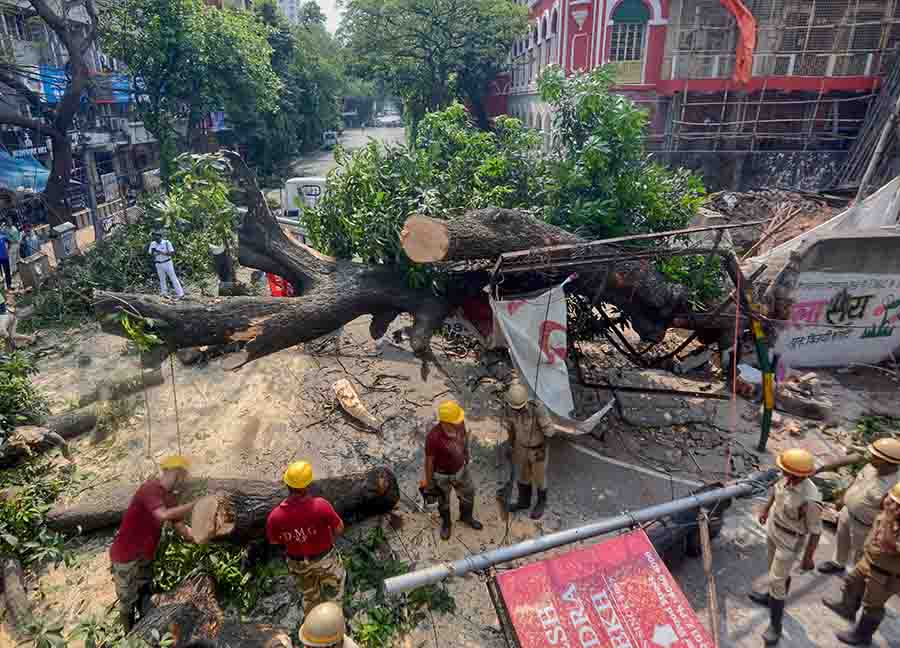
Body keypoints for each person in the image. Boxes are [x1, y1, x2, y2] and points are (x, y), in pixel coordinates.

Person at [108, 455, 197, 630]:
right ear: (175, 472)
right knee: (127, 600)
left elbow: (183, 530)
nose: (184, 480)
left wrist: (202, 535)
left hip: (145, 555)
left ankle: (146, 626)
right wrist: (194, 504)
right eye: (183, 475)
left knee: (145, 590)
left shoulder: (170, 498)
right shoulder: (150, 489)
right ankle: (129, 635)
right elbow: (162, 515)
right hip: (125, 555)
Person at [748, 448, 822, 645]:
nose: (783, 473)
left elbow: (816, 531)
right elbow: (776, 491)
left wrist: (808, 557)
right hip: (774, 529)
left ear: (798, 475)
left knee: (776, 579)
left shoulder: (810, 500)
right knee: (775, 573)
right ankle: (771, 597)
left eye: (786, 471)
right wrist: (765, 509)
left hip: (789, 541)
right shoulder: (786, 478)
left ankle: (775, 625)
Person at [823, 482, 900, 645]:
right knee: (852, 582)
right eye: (891, 500)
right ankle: (847, 608)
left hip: (885, 574)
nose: (891, 505)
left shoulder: (890, 518)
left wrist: (889, 518)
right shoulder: (887, 514)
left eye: (896, 504)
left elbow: (889, 545)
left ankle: (862, 636)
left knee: (873, 605)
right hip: (869, 561)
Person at [266, 461, 345, 615]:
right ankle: (334, 620)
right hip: (325, 560)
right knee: (335, 591)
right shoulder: (321, 506)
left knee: (309, 595)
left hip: (297, 564)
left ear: (287, 485)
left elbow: (274, 541)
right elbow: (339, 528)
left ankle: (313, 623)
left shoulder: (275, 516)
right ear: (308, 485)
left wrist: (294, 538)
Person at [818, 438, 900, 575]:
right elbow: (856, 481)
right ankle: (838, 562)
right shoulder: (871, 467)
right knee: (841, 539)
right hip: (847, 513)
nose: (871, 457)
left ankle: (855, 575)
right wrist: (842, 498)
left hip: (865, 526)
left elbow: (891, 512)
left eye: (875, 456)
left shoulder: (895, 485)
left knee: (859, 552)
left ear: (887, 462)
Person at [424, 400, 482, 540]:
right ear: (445, 422)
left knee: (468, 494)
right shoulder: (434, 437)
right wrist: (429, 482)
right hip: (441, 475)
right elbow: (429, 461)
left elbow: (464, 438)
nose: (460, 422)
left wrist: (466, 453)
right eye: (456, 420)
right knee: (443, 502)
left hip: (460, 469)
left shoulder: (460, 424)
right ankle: (446, 523)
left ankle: (466, 517)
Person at [504, 382, 554, 519]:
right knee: (523, 475)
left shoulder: (537, 408)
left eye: (519, 408)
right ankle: (523, 502)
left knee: (539, 478)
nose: (517, 411)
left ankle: (541, 502)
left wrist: (543, 449)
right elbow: (511, 428)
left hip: (538, 448)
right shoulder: (509, 408)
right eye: (515, 408)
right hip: (521, 447)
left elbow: (549, 432)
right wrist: (510, 445)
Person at [148, 229, 184, 299]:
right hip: (158, 263)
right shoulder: (152, 243)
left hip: (167, 262)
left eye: (156, 236)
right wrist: (153, 253)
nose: (154, 238)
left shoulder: (167, 243)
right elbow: (150, 254)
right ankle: (164, 293)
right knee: (162, 279)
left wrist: (160, 252)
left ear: (160, 236)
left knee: (173, 278)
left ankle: (180, 293)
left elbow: (172, 253)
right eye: (153, 236)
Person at [0, 225, 11, 290]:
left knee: (7, 271)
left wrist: (8, 249)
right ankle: (2, 286)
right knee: (1, 274)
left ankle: (9, 285)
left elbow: (9, 241)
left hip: (4, 257)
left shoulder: (2, 236)